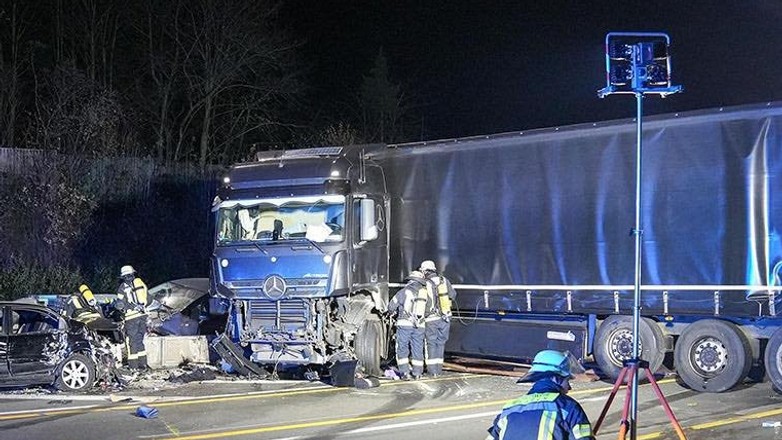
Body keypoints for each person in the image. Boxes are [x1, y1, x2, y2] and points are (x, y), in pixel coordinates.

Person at [486, 350, 594, 440]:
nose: (569, 388)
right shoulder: (567, 407)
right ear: (555, 378)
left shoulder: (508, 410)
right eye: (567, 380)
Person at [387, 270, 432, 380]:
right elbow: (429, 310)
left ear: (410, 280)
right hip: (420, 325)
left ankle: (405, 372)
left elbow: (391, 306)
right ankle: (417, 373)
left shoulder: (403, 292)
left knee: (402, 347)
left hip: (405, 324)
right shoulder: (425, 294)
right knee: (417, 348)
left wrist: (392, 312)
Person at [419, 260, 457, 377]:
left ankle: (432, 371)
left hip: (431, 319)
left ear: (425, 271)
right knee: (440, 343)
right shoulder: (444, 281)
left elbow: (421, 301)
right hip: (445, 318)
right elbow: (453, 295)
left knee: (430, 344)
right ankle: (438, 369)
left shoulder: (424, 283)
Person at [116, 265, 149, 370]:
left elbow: (119, 304)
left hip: (131, 318)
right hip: (143, 316)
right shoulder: (140, 283)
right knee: (139, 341)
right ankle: (143, 366)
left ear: (123, 276)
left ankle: (133, 367)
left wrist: (123, 307)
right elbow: (148, 298)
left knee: (131, 342)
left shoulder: (123, 287)